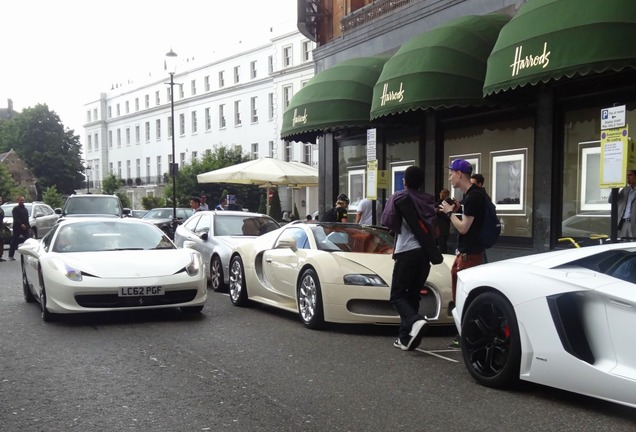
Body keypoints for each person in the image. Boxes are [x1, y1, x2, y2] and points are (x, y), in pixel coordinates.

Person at [383, 166, 436, 351]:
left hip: (407, 251)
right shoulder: (429, 200)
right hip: (425, 254)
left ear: (405, 181)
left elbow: (387, 221)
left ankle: (415, 321)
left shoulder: (399, 196)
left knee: (397, 295)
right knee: (413, 294)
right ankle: (405, 338)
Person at [440, 160, 486, 348]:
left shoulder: (473, 197)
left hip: (470, 256)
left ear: (459, 174)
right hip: (469, 253)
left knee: (465, 297)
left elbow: (464, 228)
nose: (449, 177)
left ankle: (467, 336)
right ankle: (467, 334)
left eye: (451, 173)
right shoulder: (474, 196)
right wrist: (458, 211)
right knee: (463, 296)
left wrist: (450, 213)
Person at [615, 169, 636, 239]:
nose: (627, 177)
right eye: (626, 175)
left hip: (634, 223)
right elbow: (611, 200)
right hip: (624, 223)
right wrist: (616, 187)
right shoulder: (625, 190)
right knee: (623, 243)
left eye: (630, 175)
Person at [8, 196, 31, 261]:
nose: (22, 201)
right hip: (17, 227)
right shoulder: (15, 209)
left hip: (25, 227)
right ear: (18, 201)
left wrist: (28, 226)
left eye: (23, 200)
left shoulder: (25, 209)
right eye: (21, 200)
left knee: (28, 240)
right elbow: (16, 218)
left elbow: (27, 219)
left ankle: (29, 255)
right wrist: (21, 224)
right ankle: (10, 255)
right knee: (14, 241)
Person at [435, 189, 451, 254]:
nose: (440, 194)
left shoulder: (448, 202)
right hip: (440, 226)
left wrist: (438, 210)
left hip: (443, 226)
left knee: (443, 244)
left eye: (442, 193)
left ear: (446, 194)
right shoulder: (440, 202)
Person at [0, 196, 6, 262]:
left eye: (0, 201)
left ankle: (0, 256)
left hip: (1, 227)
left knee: (1, 241)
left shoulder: (1, 209)